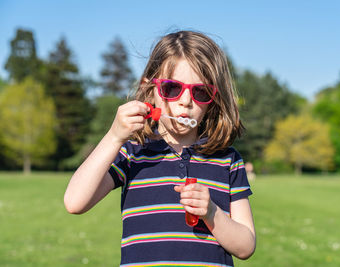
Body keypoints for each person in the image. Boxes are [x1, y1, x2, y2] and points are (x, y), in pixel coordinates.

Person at [64, 30, 256, 267]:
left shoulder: (227, 159)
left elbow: (246, 246)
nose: (186, 101)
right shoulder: (133, 152)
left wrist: (211, 212)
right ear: (150, 90)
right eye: (172, 88)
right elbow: (74, 202)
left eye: (200, 92)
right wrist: (114, 137)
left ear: (214, 99)